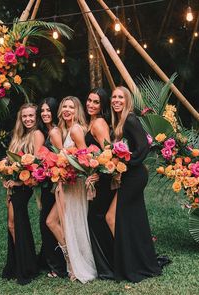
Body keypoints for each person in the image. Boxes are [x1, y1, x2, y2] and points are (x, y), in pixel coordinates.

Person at [106, 86, 162, 283]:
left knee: (117, 217)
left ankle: (131, 264)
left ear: (127, 100)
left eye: (120, 97)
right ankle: (138, 261)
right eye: (114, 97)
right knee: (132, 219)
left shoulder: (129, 119)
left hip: (135, 176)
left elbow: (144, 147)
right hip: (130, 176)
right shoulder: (119, 121)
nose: (116, 100)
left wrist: (126, 164)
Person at [48, 96, 97, 283]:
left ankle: (76, 266)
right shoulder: (65, 130)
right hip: (66, 184)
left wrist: (65, 166)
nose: (67, 110)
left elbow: (84, 159)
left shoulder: (76, 129)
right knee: (57, 222)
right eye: (64, 106)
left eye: (71, 107)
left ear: (77, 111)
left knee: (65, 223)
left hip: (74, 185)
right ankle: (72, 263)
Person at [2, 103, 39, 285]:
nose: (28, 119)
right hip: (16, 185)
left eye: (31, 115)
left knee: (16, 223)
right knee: (12, 223)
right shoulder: (19, 135)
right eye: (25, 116)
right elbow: (10, 159)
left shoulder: (37, 135)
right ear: (20, 118)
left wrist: (18, 181)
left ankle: (26, 265)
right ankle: (21, 262)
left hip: (25, 186)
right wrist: (5, 171)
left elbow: (37, 165)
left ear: (36, 116)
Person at [85, 88, 114, 280]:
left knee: (97, 218)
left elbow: (108, 152)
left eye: (96, 102)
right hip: (98, 177)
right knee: (95, 219)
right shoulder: (91, 123)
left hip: (104, 179)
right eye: (89, 100)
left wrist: (98, 174)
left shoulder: (100, 123)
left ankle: (110, 265)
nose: (90, 104)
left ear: (102, 106)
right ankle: (105, 265)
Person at [35, 97, 66, 278]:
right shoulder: (44, 132)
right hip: (47, 184)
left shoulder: (55, 132)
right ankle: (49, 261)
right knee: (45, 224)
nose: (45, 114)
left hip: (57, 185)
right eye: (43, 111)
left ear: (54, 112)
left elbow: (62, 158)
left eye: (48, 110)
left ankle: (59, 266)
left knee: (50, 223)